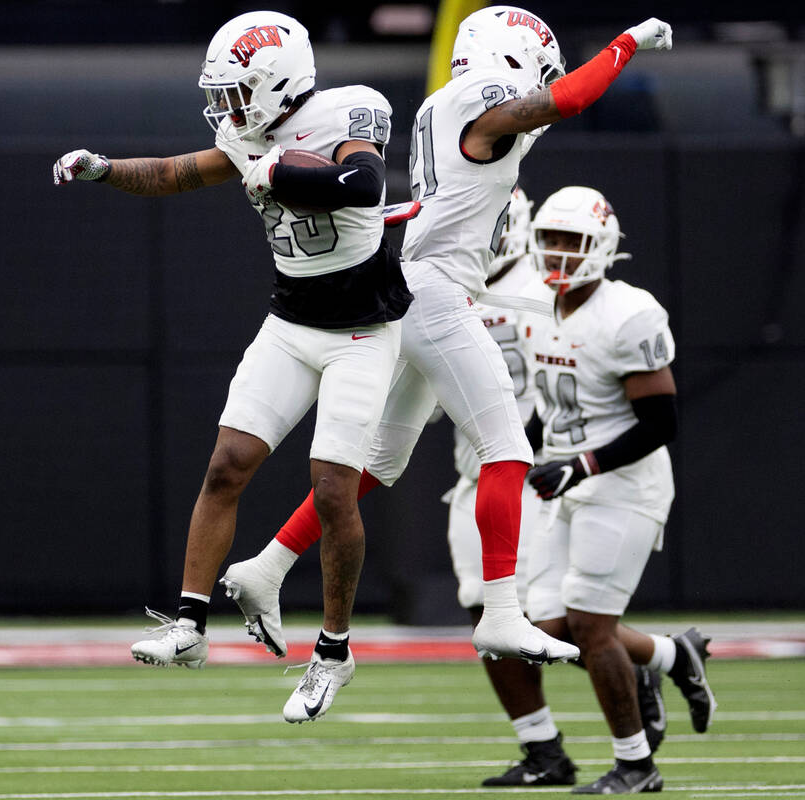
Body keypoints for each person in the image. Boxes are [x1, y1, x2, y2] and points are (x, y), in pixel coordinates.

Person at [217, 7, 673, 719]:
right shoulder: (481, 100)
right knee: (507, 449)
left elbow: (449, 189)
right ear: (512, 59)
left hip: (414, 284)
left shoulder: (446, 104)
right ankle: (502, 611)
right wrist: (629, 42)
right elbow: (569, 98)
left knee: (380, 460)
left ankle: (268, 564)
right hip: (437, 294)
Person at [50, 10, 412, 721]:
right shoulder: (246, 136)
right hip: (291, 322)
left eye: (238, 92)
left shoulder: (348, 111)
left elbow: (362, 183)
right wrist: (104, 169)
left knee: (333, 492)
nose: (229, 108)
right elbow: (173, 173)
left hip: (362, 330)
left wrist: (282, 170)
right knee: (226, 465)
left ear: (280, 81)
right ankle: (189, 625)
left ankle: (333, 653)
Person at [512, 185, 715, 793]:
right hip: (566, 479)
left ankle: (637, 765)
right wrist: (519, 452)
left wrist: (581, 465)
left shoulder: (629, 313)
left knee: (591, 626)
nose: (558, 253)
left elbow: (661, 423)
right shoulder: (531, 302)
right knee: (545, 630)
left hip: (624, 485)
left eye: (571, 241)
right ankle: (668, 657)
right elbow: (550, 405)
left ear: (601, 246)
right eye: (549, 239)